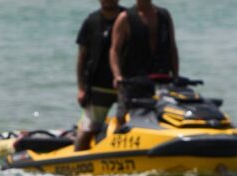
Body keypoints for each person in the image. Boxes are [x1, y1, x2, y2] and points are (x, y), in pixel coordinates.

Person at [109, 0, 179, 131]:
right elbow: (114, 50)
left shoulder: (164, 15)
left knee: (164, 113)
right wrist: (117, 75)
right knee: (123, 115)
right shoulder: (125, 18)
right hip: (133, 79)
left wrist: (175, 75)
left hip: (161, 76)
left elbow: (172, 47)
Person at [74, 0, 126, 151]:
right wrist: (81, 88)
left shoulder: (127, 18)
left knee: (126, 126)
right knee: (89, 128)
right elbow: (82, 57)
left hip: (125, 84)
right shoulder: (92, 21)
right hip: (98, 85)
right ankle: (77, 158)